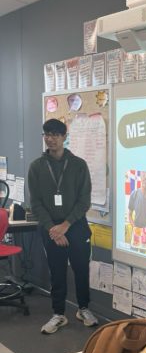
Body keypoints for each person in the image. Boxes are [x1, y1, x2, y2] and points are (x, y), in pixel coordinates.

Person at [28, 118, 98, 334]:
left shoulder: (78, 165)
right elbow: (36, 203)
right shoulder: (37, 167)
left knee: (80, 270)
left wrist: (65, 226)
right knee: (56, 272)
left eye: (55, 135)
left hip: (75, 226)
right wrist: (53, 228)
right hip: (51, 228)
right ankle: (58, 314)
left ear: (64, 138)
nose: (50, 139)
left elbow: (84, 201)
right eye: (47, 134)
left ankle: (83, 309)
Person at [128, 171, 146, 253]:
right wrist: (135, 228)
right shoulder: (134, 194)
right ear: (140, 175)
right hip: (135, 235)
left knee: (142, 257)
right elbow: (129, 215)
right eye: (144, 173)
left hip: (145, 239)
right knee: (133, 255)